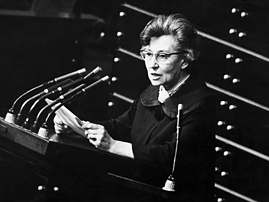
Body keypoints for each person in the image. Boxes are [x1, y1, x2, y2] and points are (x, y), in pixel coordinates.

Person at [54, 13, 216, 201]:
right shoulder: (154, 90)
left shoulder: (201, 102)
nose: (152, 65)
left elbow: (171, 156)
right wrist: (77, 128)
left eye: (162, 56)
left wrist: (113, 146)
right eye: (148, 54)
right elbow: (121, 127)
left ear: (186, 59)